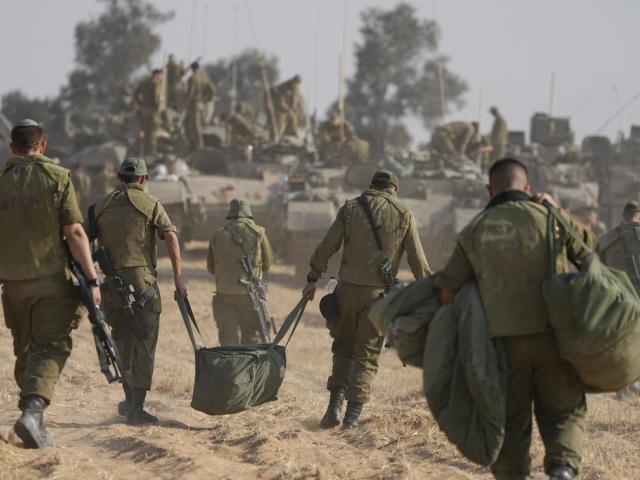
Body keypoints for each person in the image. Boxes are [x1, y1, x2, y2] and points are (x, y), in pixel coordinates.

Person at [437, 158, 594, 480]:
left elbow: (448, 292)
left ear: (489, 189)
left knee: (509, 422)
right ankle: (563, 469)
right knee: (564, 413)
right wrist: (558, 211)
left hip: (503, 348)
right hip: (556, 340)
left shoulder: (477, 227)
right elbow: (589, 251)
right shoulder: (550, 218)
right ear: (528, 188)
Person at [302, 170, 431, 429]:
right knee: (367, 355)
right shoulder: (404, 212)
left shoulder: (350, 208)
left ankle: (333, 409)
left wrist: (313, 277)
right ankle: (351, 420)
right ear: (394, 190)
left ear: (371, 186)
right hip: (379, 297)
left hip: (346, 292)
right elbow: (417, 258)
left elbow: (327, 246)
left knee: (343, 348)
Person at [0, 119, 100, 448]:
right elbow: (74, 232)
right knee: (51, 345)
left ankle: (32, 418)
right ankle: (32, 413)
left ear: (13, 149)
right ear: (42, 146)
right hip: (50, 283)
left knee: (26, 348)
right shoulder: (57, 177)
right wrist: (91, 278)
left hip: (12, 286)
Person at [92, 156, 187, 425]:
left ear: (120, 177)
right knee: (144, 342)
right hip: (143, 284)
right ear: (143, 180)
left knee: (122, 339)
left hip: (111, 285)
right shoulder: (151, 203)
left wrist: (90, 279)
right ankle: (136, 406)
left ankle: (129, 399)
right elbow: (170, 236)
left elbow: (82, 239)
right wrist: (179, 277)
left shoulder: (99, 206)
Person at [206, 199, 273, 345]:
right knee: (252, 335)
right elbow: (267, 264)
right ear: (249, 215)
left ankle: (231, 367)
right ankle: (249, 367)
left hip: (223, 294)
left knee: (227, 337)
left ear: (231, 215)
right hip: (249, 296)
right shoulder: (258, 233)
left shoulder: (218, 235)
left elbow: (211, 268)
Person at [597, 201, 640, 399]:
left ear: (624, 215)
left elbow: (596, 274)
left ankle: (624, 387)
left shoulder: (607, 240)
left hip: (618, 302)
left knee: (622, 344)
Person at [184, 62, 216, 150]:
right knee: (196, 124)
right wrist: (205, 99)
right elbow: (212, 90)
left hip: (193, 104)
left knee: (194, 125)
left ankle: (198, 145)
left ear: (192, 69)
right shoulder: (204, 78)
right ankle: (195, 143)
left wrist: (185, 103)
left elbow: (190, 93)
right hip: (201, 104)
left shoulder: (192, 78)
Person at [134, 69, 164, 156]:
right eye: (161, 75)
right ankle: (151, 153)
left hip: (144, 110)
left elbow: (135, 94)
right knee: (152, 132)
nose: (161, 77)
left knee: (143, 131)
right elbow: (156, 97)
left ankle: (141, 150)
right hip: (152, 110)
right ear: (157, 75)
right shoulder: (156, 83)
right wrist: (158, 106)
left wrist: (140, 104)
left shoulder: (143, 82)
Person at [267, 75, 303, 141]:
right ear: (292, 81)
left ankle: (292, 137)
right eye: (295, 82)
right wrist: (289, 111)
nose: (296, 85)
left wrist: (300, 108)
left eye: (298, 83)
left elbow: (299, 100)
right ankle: (276, 139)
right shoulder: (283, 88)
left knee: (293, 119)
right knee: (280, 124)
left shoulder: (296, 88)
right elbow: (280, 102)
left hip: (289, 111)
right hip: (279, 110)